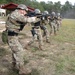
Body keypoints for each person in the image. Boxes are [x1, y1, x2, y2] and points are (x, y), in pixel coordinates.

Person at [5, 4, 37, 75]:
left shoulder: (16, 14)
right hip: (11, 36)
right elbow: (25, 20)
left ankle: (14, 66)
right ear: (21, 10)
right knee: (19, 51)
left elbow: (22, 21)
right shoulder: (15, 14)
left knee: (15, 51)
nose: (25, 13)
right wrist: (34, 18)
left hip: (13, 36)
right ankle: (22, 70)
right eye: (25, 11)